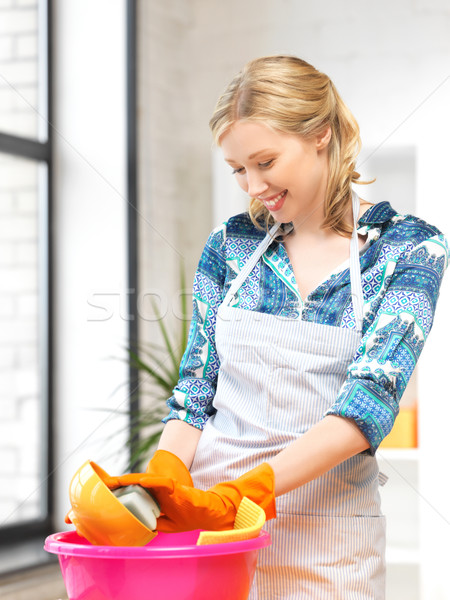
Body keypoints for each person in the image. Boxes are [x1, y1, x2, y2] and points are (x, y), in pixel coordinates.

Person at [108, 56, 448, 599]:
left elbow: (369, 406)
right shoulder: (232, 244)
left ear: (321, 134)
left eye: (265, 161)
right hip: (215, 534)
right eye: (238, 168)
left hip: (329, 539)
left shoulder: (408, 248)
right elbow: (196, 388)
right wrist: (169, 478)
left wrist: (252, 491)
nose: (253, 184)